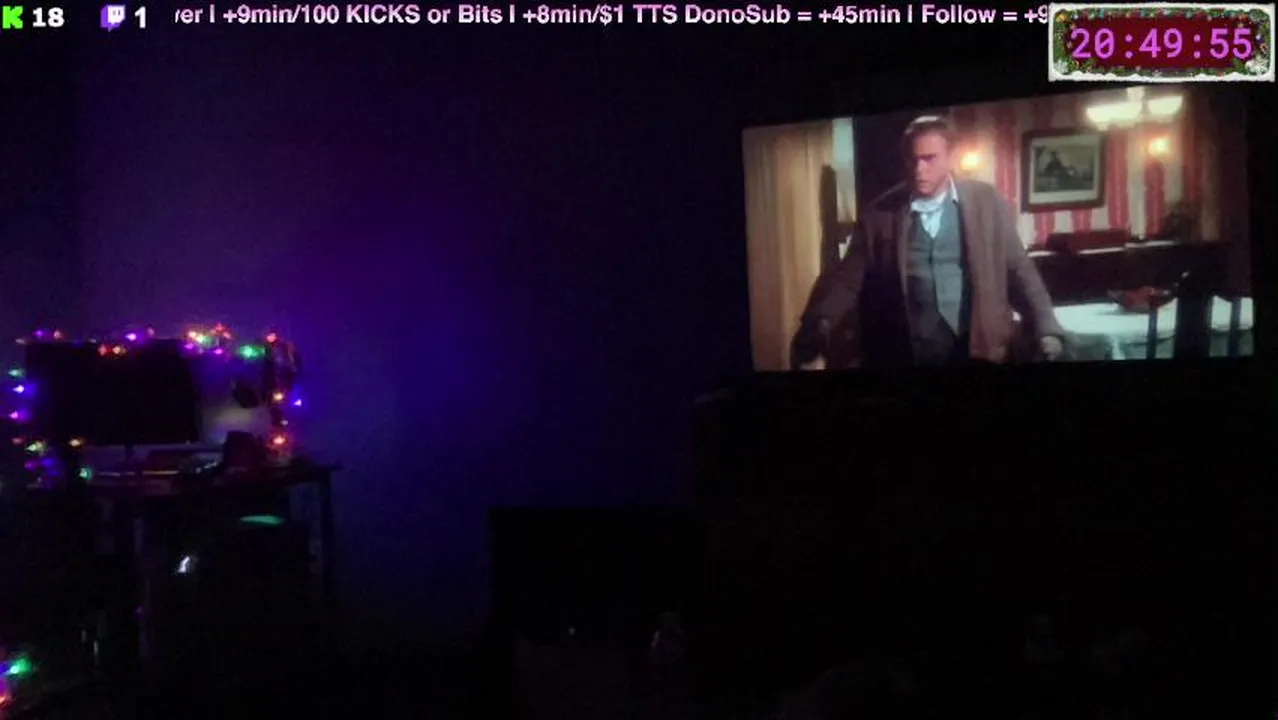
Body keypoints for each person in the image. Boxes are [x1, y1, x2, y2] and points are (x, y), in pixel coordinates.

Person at [792, 115, 1065, 368]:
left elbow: (1019, 269)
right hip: (910, 352)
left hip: (979, 347)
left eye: (929, 158)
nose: (919, 169)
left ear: (951, 157)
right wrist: (819, 323)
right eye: (913, 160)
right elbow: (847, 279)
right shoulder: (880, 214)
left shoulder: (986, 202)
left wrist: (1047, 329)